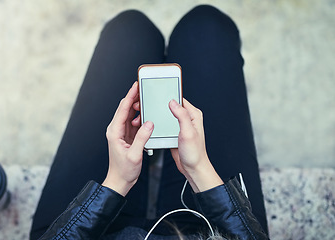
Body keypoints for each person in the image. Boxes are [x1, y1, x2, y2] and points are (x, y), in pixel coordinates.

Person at [30, 5, 269, 240]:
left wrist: (118, 180)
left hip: (96, 231)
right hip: (202, 232)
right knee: (207, 26)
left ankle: (148, 156)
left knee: (129, 30)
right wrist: (197, 169)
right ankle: (154, 153)